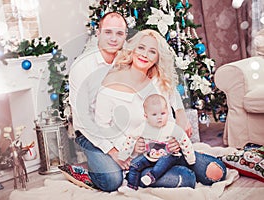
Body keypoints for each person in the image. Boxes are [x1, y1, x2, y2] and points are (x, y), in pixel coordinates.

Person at [68, 12, 197, 192]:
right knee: (112, 179)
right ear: (97, 33)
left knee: (147, 157)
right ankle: (84, 173)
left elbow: (165, 83)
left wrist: (181, 114)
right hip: (91, 132)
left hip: (121, 130)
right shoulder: (83, 67)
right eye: (108, 32)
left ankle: (144, 171)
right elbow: (83, 120)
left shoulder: (131, 55)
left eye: (119, 33)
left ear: (125, 36)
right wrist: (114, 152)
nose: (113, 39)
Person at [93, 28, 227, 190]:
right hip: (138, 155)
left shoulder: (159, 80)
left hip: (168, 150)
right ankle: (144, 173)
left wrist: (176, 133)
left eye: (152, 52)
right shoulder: (111, 84)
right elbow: (102, 127)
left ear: (157, 58)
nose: (144, 55)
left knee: (218, 171)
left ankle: (168, 167)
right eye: (141, 48)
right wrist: (129, 146)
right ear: (133, 49)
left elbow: (172, 103)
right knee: (186, 179)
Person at [114, 94, 196, 191]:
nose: (159, 118)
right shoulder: (143, 127)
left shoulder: (171, 127)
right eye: (154, 115)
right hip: (149, 156)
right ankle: (132, 186)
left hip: (169, 156)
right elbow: (131, 139)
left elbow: (184, 141)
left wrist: (190, 158)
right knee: (134, 165)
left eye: (163, 113)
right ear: (146, 116)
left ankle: (152, 176)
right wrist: (123, 154)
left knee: (163, 162)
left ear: (167, 112)